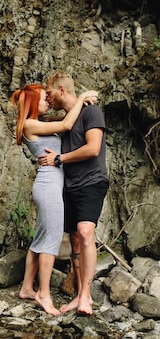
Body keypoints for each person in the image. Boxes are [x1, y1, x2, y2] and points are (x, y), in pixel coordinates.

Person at [11, 83, 98, 316]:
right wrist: (81, 96)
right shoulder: (31, 124)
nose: (47, 101)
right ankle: (44, 294)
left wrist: (79, 101)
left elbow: (65, 116)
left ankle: (27, 288)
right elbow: (67, 123)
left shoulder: (41, 122)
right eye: (42, 99)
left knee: (40, 238)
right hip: (49, 186)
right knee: (51, 240)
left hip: (49, 185)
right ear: (32, 104)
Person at [38, 71, 109, 316]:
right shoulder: (67, 118)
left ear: (61, 90)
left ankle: (86, 296)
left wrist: (58, 159)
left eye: (49, 93)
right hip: (70, 186)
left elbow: (93, 148)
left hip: (92, 182)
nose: (48, 99)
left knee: (86, 232)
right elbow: (43, 119)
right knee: (75, 240)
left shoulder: (91, 112)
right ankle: (79, 294)